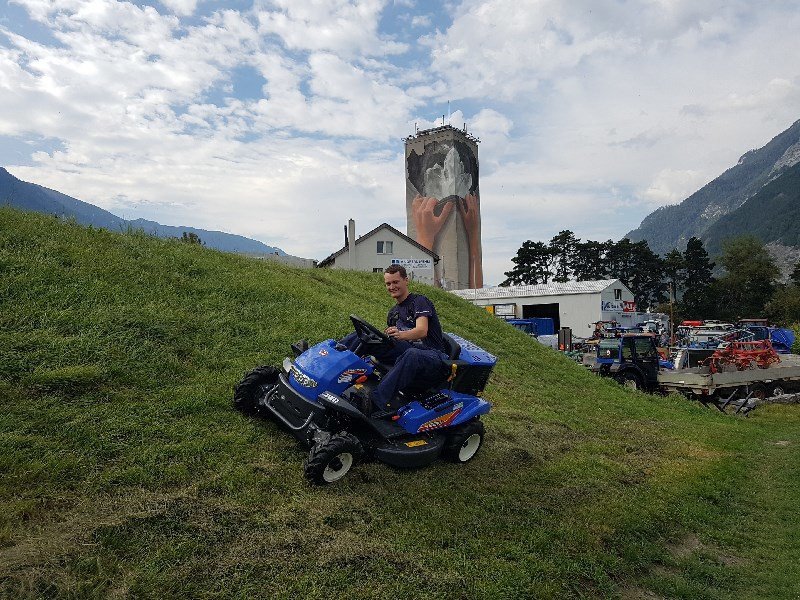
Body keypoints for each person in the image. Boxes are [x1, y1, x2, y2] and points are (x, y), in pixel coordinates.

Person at [344, 264, 450, 412]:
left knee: (412, 354)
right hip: (407, 352)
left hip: (432, 356)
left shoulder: (419, 301)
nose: (391, 286)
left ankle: (375, 402)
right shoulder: (393, 312)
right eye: (388, 283)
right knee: (364, 335)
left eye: (395, 282)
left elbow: (422, 331)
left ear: (406, 280)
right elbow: (393, 340)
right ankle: (329, 360)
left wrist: (401, 335)